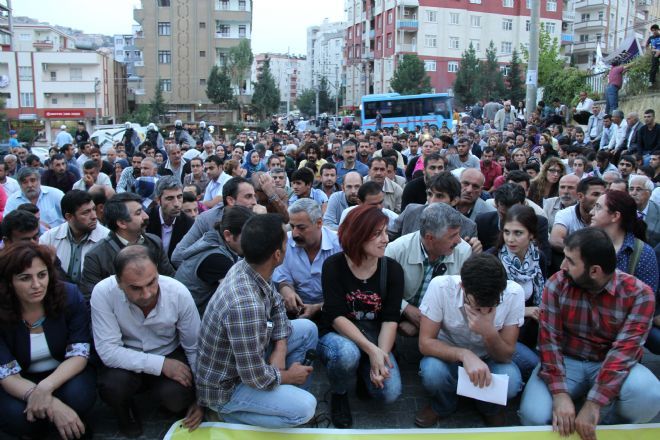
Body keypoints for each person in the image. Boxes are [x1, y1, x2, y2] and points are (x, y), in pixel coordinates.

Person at [519, 228, 660, 437]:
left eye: (570, 261)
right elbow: (549, 342)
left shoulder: (639, 294)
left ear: (594, 271)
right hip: (566, 359)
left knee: (649, 394)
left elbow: (624, 353)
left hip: (609, 361)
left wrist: (594, 404)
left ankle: (606, 427)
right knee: (533, 415)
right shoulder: (557, 283)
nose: (562, 266)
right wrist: (559, 393)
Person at [195, 214, 318, 428]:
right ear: (277, 254)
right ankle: (227, 416)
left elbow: (277, 304)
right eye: (285, 241)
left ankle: (281, 397)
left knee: (308, 328)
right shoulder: (245, 305)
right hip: (228, 387)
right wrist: (288, 376)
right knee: (306, 408)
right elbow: (255, 377)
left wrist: (280, 348)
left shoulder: (248, 265)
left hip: (249, 360)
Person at [91, 246, 202, 437]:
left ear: (157, 272)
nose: (147, 294)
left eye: (152, 283)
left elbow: (195, 348)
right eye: (135, 288)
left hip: (169, 351)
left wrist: (202, 399)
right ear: (118, 282)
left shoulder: (178, 293)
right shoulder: (103, 293)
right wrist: (161, 365)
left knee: (177, 398)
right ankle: (125, 411)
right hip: (126, 358)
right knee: (112, 386)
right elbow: (108, 351)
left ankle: (165, 403)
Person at [318, 205, 403, 428]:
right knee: (347, 354)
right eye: (377, 234)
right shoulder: (333, 266)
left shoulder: (392, 269)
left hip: (376, 334)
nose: (386, 239)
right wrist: (371, 350)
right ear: (358, 236)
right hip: (339, 334)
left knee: (389, 394)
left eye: (386, 232)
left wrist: (381, 357)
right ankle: (339, 392)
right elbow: (336, 316)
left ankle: (365, 373)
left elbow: (390, 318)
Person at [0, 242, 95, 439]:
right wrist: (51, 402)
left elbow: (79, 354)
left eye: (42, 275)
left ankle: (69, 426)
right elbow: (7, 373)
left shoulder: (69, 295)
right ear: (9, 281)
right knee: (16, 416)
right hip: (19, 378)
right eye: (25, 278)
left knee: (78, 397)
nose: (36, 285)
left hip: (63, 372)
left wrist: (45, 387)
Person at [416, 253, 524, 428]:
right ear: (462, 287)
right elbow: (425, 343)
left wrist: (488, 332)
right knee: (432, 372)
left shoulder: (514, 293)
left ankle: (489, 407)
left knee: (512, 380)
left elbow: (506, 356)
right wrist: (464, 355)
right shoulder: (441, 287)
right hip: (449, 355)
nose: (484, 310)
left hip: (489, 358)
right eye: (477, 306)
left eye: (491, 306)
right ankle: (443, 405)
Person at [385, 203, 472, 337]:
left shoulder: (464, 252)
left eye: (458, 233)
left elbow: (461, 301)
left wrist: (425, 323)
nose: (459, 241)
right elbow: (382, 290)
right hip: (396, 319)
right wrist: (406, 309)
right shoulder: (396, 250)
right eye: (452, 236)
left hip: (441, 328)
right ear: (430, 238)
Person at [80, 192, 175, 299]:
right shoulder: (96, 256)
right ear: (121, 223)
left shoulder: (154, 243)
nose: (146, 216)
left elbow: (171, 282)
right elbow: (91, 299)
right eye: (138, 213)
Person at [490, 205, 545, 380]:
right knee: (534, 366)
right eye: (506, 232)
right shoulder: (492, 260)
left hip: (527, 330)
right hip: (497, 332)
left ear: (532, 234)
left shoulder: (538, 258)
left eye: (518, 233)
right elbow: (485, 309)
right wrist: (525, 311)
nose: (510, 239)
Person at [174, 206, 253, 316]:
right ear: (228, 235)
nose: (251, 242)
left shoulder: (214, 240)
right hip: (191, 322)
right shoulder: (217, 259)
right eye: (247, 236)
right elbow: (238, 300)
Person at [170, 176, 263, 267]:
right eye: (248, 197)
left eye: (255, 196)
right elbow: (177, 257)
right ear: (230, 200)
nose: (254, 202)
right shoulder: (207, 219)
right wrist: (209, 272)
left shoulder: (257, 216)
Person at [274, 199, 342, 320]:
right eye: (292, 226)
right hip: (295, 313)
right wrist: (287, 291)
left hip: (333, 313)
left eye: (301, 228)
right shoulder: (285, 242)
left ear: (319, 223)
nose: (295, 234)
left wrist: (317, 307)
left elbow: (345, 292)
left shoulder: (339, 245)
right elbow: (283, 280)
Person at [590, 190, 658, 292]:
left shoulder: (643, 253)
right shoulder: (586, 243)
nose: (591, 212)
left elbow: (647, 298)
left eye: (598, 207)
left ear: (615, 216)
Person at [38, 190, 109, 285]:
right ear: (69, 217)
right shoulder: (49, 239)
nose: (94, 216)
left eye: (94, 209)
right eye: (86, 212)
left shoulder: (107, 238)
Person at [476, 184, 551, 263]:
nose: (509, 221)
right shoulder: (483, 221)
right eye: (503, 215)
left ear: (524, 205)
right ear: (496, 204)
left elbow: (546, 259)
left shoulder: (539, 223)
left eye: (518, 233)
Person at [392, 172, 477, 240]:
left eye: (440, 196)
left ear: (454, 201)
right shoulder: (411, 211)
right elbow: (390, 237)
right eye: (429, 194)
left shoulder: (468, 227)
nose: (432, 201)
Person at [145, 176, 194, 262]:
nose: (176, 204)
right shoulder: (146, 219)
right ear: (157, 200)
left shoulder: (189, 224)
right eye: (170, 198)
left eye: (179, 197)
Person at [629, 174, 660, 247]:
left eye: (638, 189)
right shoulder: (622, 210)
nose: (633, 193)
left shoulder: (658, 212)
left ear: (649, 193)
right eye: (631, 189)